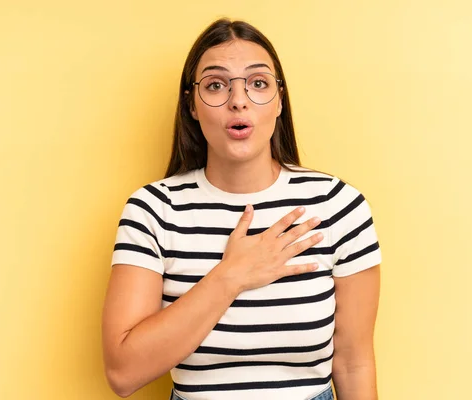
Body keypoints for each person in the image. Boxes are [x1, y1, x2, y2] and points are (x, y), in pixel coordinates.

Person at [101, 18, 382, 400]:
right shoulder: (154, 210)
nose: (239, 99)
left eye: (258, 83)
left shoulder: (338, 205)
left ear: (280, 100)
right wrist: (231, 276)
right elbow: (123, 372)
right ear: (192, 106)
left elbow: (354, 362)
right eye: (216, 85)